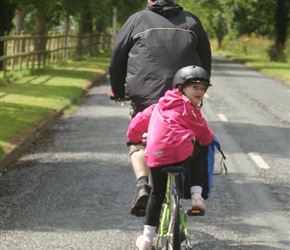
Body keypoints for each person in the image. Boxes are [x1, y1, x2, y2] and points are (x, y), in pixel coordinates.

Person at [109, 0, 212, 216]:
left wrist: (117, 89)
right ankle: (194, 189)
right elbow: (204, 61)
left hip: (145, 95)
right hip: (182, 96)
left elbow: (118, 56)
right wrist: (199, 89)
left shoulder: (136, 20)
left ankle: (143, 185)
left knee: (139, 142)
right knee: (193, 138)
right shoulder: (192, 21)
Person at [126, 65, 214, 250]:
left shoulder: (158, 105)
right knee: (201, 148)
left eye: (203, 88)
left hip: (156, 155)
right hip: (181, 154)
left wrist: (134, 140)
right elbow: (204, 134)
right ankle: (196, 195)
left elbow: (136, 124)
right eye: (195, 87)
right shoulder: (189, 109)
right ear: (181, 87)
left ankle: (147, 239)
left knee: (157, 193)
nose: (200, 92)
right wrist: (207, 140)